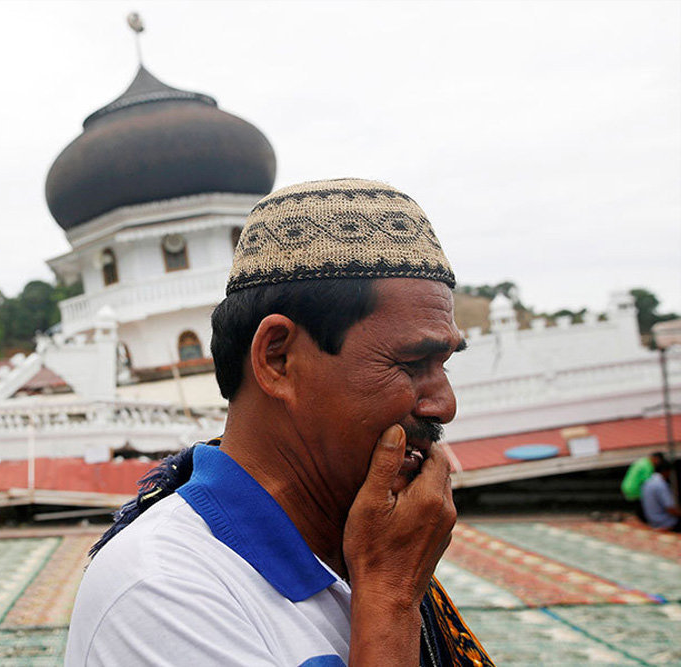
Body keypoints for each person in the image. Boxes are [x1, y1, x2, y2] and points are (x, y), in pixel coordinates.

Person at [66, 178, 492, 666]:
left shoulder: (363, 547)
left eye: (445, 364)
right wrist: (390, 601)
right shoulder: (160, 590)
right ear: (278, 359)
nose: (445, 405)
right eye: (412, 364)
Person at [640, 457, 681, 532]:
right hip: (664, 522)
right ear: (666, 471)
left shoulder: (647, 482)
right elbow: (670, 508)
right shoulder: (661, 485)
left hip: (651, 520)